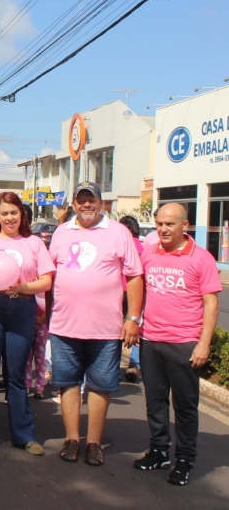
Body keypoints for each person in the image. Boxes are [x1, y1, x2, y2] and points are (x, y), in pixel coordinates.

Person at [46, 182, 143, 466]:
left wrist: (133, 318)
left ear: (102, 203)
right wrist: (46, 312)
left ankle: (93, 443)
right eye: (81, 200)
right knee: (67, 383)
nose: (86, 204)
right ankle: (72, 438)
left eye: (92, 199)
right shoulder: (62, 232)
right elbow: (50, 276)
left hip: (105, 328)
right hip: (64, 325)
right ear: (74, 204)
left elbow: (135, 276)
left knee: (101, 386)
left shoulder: (118, 232)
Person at [133, 203, 220, 486]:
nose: (163, 229)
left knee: (184, 405)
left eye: (170, 224)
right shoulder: (149, 254)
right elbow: (138, 290)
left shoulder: (202, 258)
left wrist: (203, 344)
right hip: (151, 340)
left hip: (184, 343)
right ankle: (159, 451)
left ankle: (184, 459)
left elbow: (211, 304)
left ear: (185, 225)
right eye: (159, 224)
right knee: (155, 402)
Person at [0, 191, 53, 456]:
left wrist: (22, 287)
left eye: (14, 212)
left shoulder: (34, 243)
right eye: (4, 213)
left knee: (16, 378)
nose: (9, 217)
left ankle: (24, 435)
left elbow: (46, 281)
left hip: (22, 309)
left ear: (22, 214)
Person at [119, 215, 145, 382]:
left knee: (115, 327)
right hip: (135, 293)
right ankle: (134, 365)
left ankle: (112, 366)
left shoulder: (121, 244)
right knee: (136, 325)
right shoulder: (142, 247)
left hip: (118, 291)